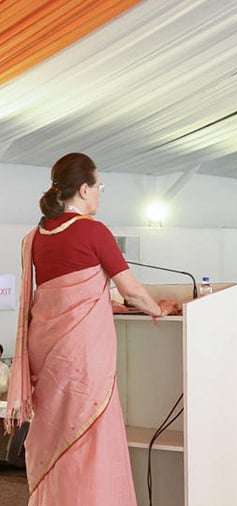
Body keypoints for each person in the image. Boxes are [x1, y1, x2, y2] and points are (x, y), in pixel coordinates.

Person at [7, 153, 174, 505]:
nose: (100, 194)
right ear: (84, 189)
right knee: (90, 437)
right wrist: (158, 308)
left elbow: (64, 295)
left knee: (56, 437)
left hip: (47, 355)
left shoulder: (34, 237)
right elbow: (131, 291)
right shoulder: (93, 231)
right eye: (99, 187)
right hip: (83, 359)